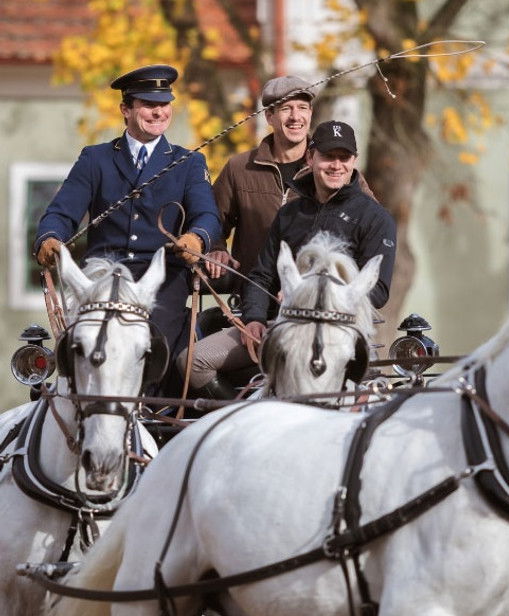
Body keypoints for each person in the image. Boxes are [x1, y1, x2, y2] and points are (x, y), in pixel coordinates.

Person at [177, 120, 396, 398]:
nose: (336, 165)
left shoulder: (376, 218)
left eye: (344, 158)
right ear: (310, 157)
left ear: (354, 161)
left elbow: (378, 291)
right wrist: (253, 319)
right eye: (328, 157)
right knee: (191, 361)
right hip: (274, 325)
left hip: (338, 333)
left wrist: (309, 298)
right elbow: (262, 274)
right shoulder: (290, 214)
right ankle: (238, 423)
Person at [34, 64, 221, 373]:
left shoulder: (188, 162)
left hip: (160, 278)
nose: (159, 112)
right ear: (126, 109)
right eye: (149, 104)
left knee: (148, 347)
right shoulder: (95, 158)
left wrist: (196, 237)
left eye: (164, 105)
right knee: (85, 345)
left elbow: (207, 214)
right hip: (102, 275)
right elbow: (61, 211)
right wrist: (49, 236)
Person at [203, 74, 373, 288]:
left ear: (310, 113)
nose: (295, 117)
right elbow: (211, 219)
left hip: (318, 302)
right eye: (286, 109)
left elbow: (372, 227)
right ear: (269, 116)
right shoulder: (240, 168)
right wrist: (216, 248)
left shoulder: (336, 171)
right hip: (253, 297)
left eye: (302, 107)